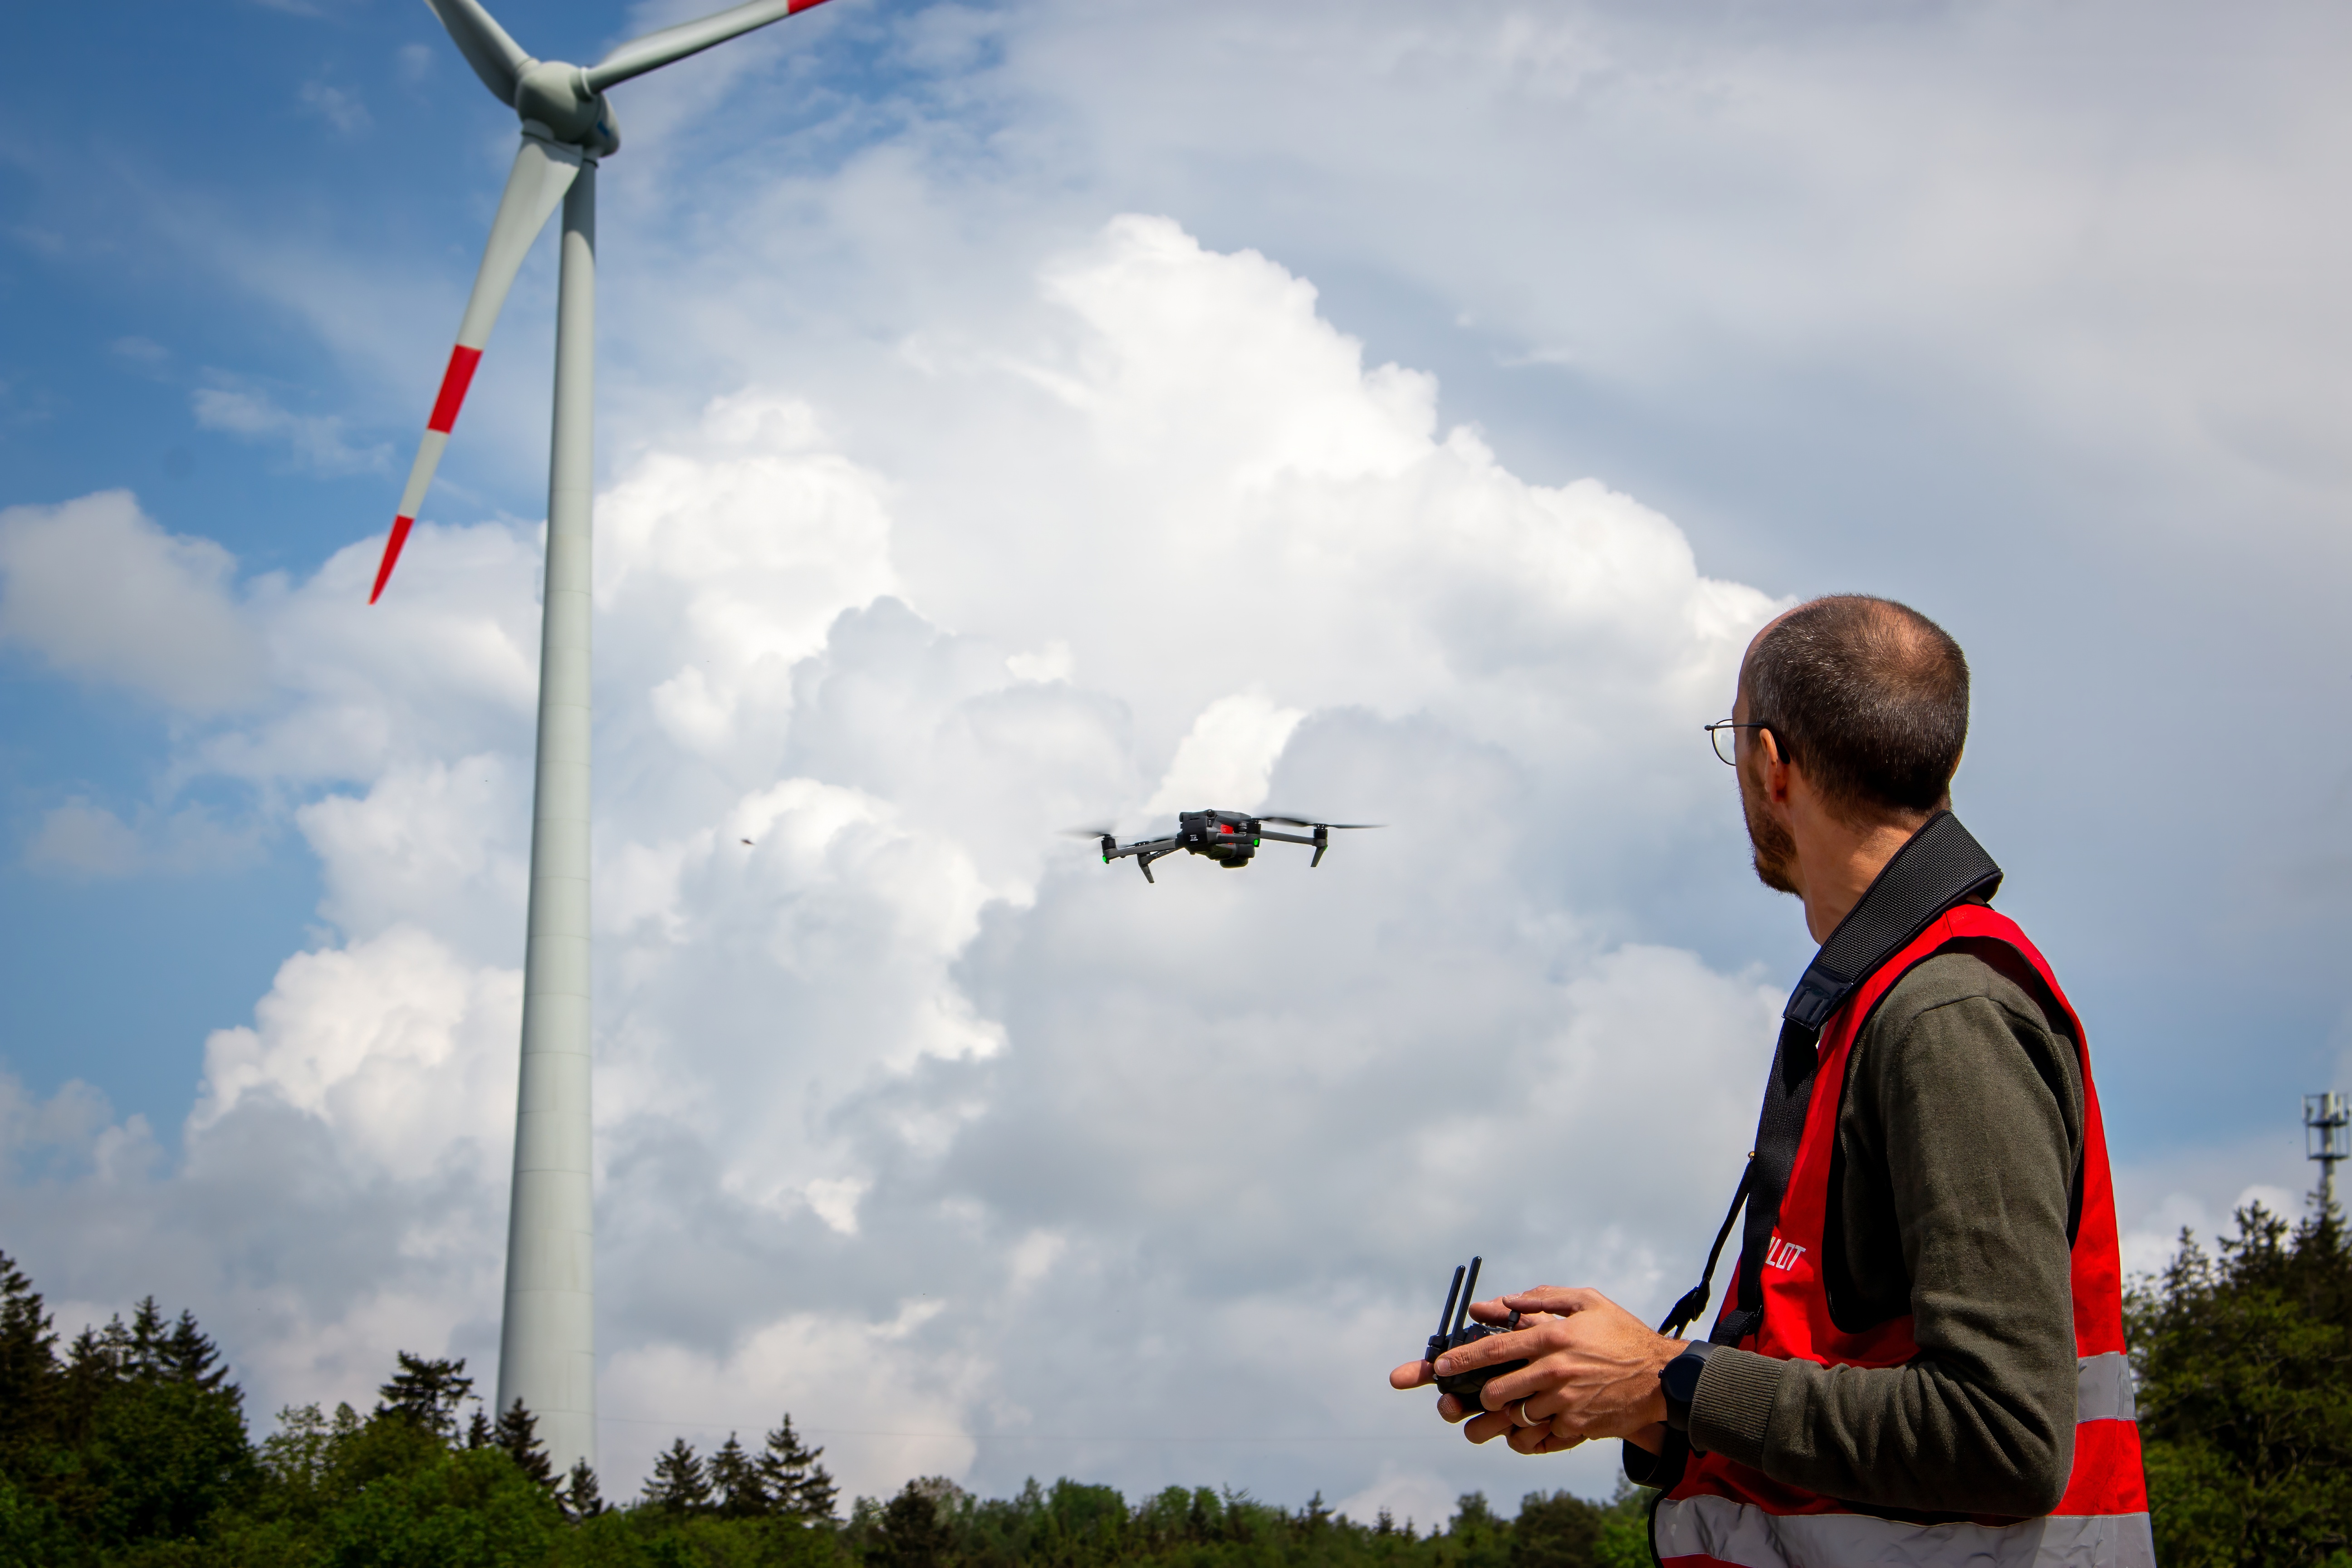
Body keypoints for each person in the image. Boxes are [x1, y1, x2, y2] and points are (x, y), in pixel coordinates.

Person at [1389, 596, 2152, 1566]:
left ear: (1771, 765)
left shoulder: (1946, 1016)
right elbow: (1858, 1393)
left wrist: (1671, 1379)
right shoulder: (1881, 1004)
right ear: (1948, 765)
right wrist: (1632, 1397)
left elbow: (2001, 1437)